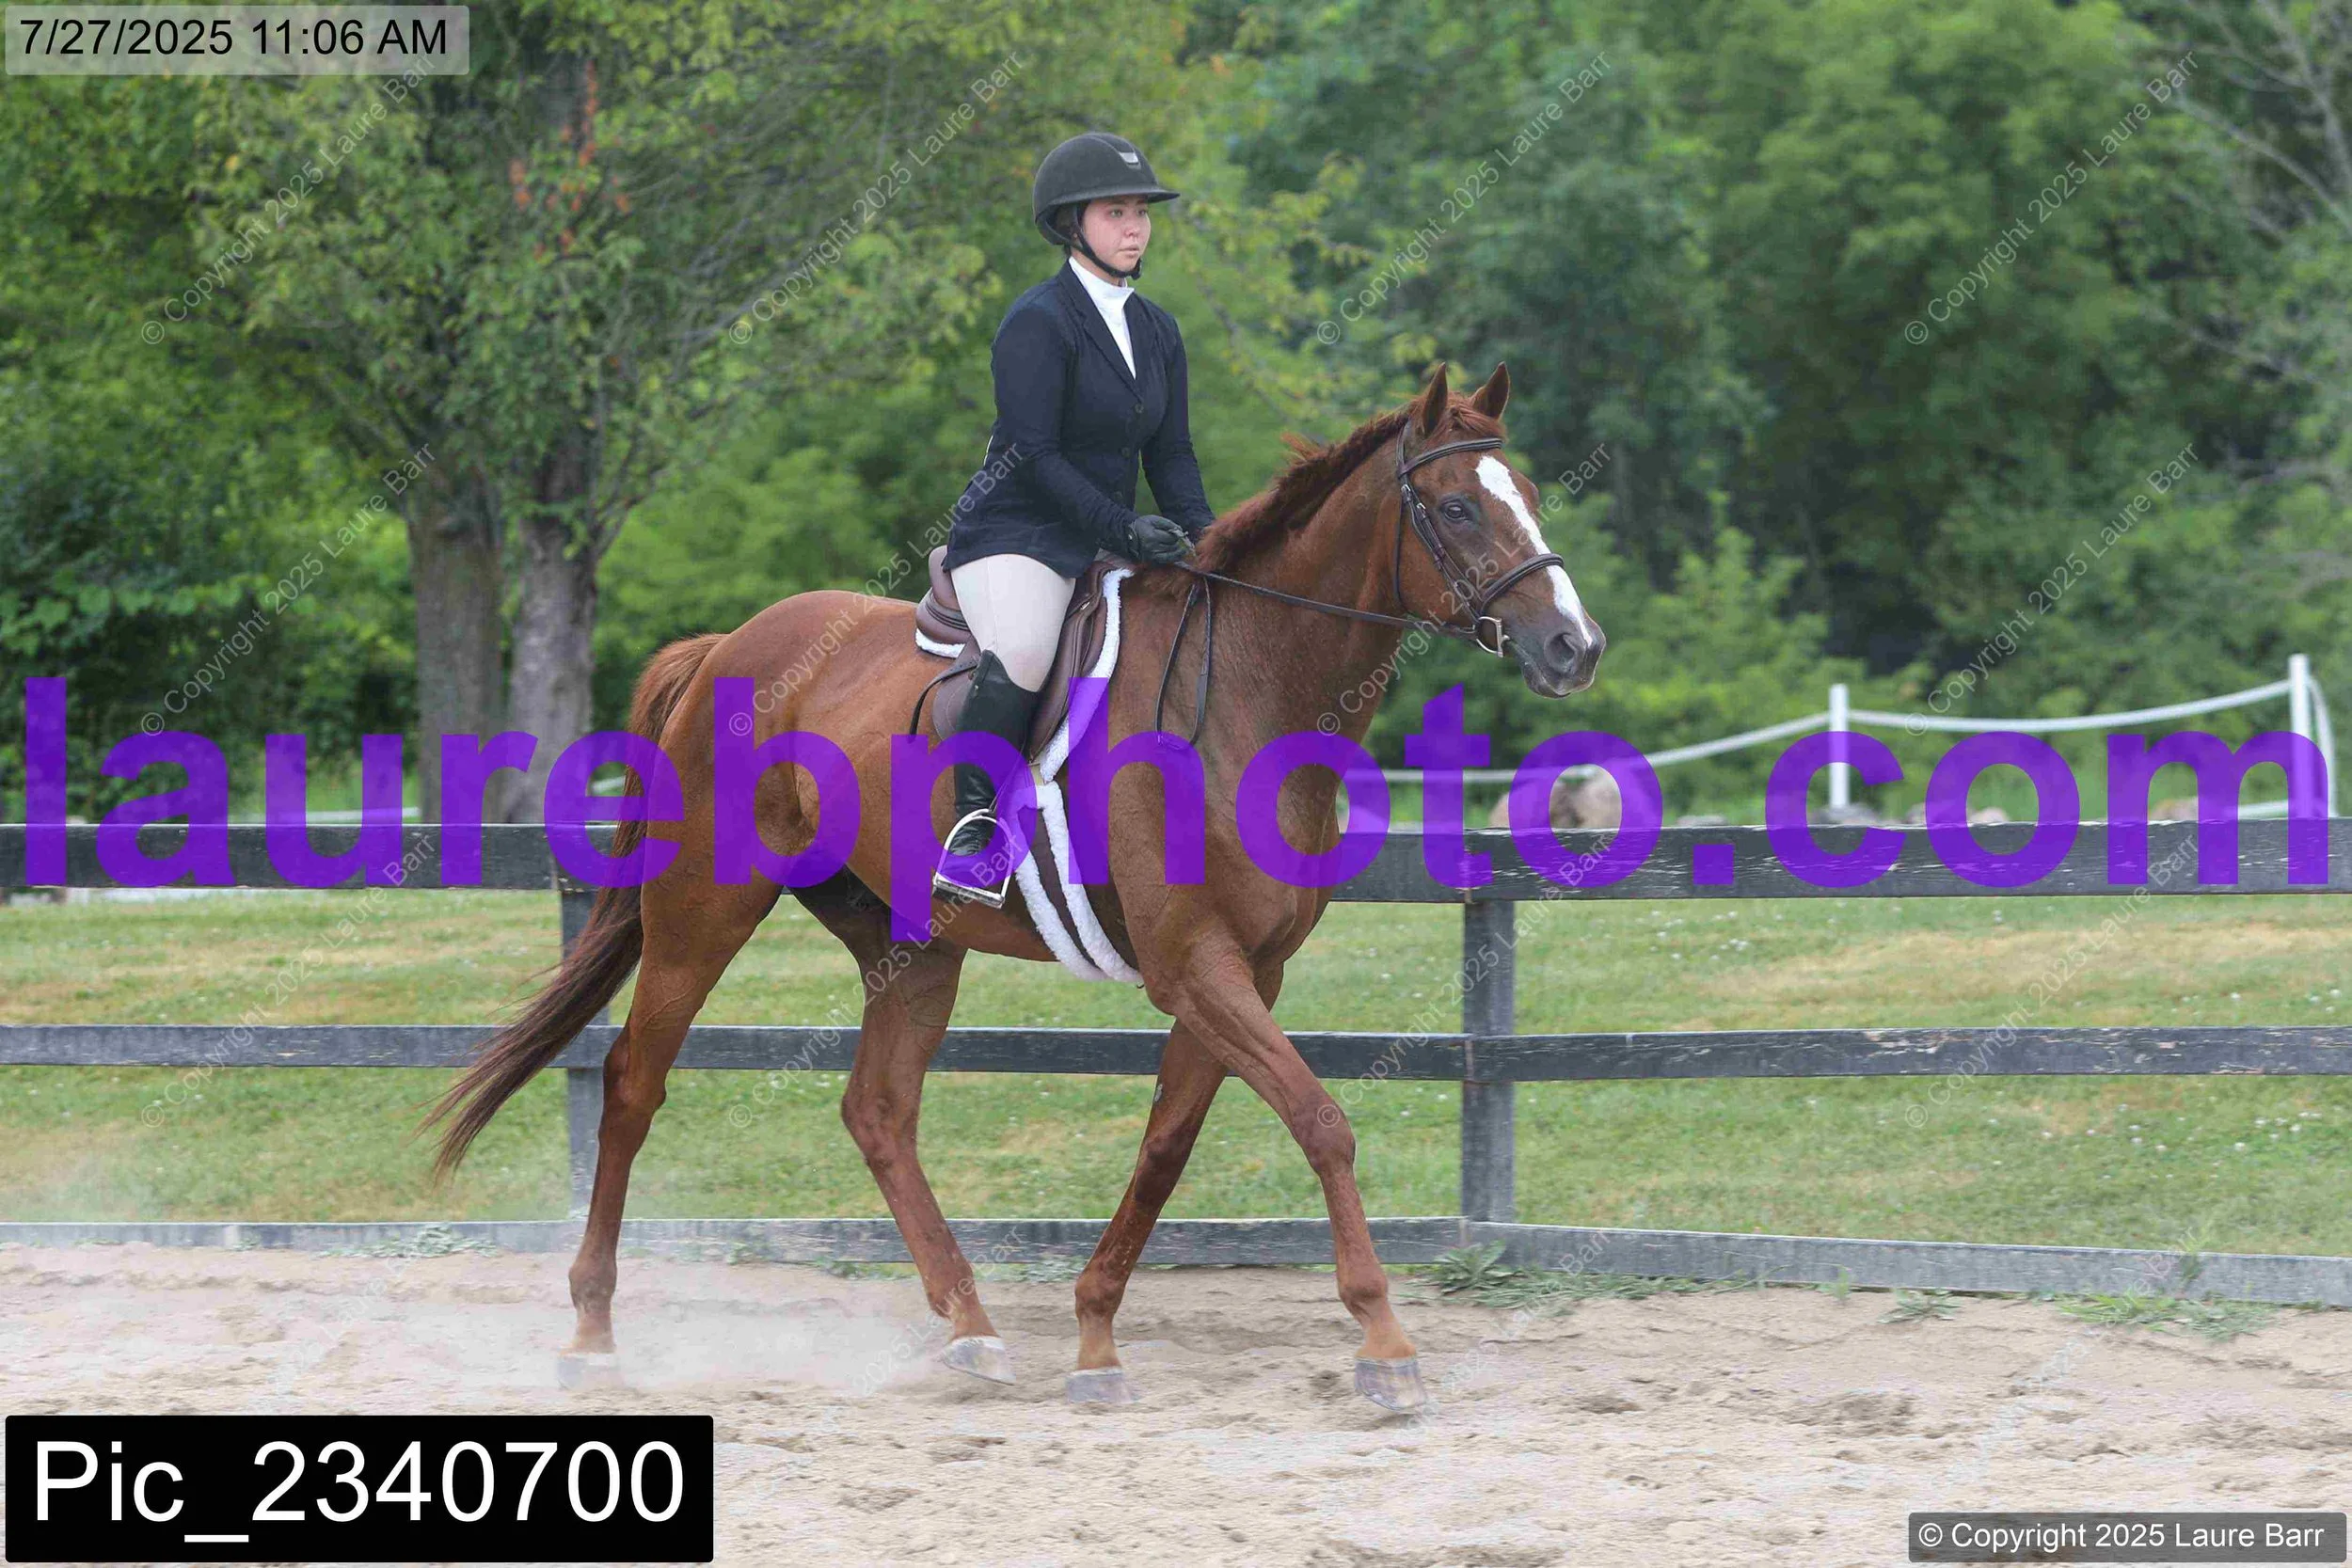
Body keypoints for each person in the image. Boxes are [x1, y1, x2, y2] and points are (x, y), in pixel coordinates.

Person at [931, 131, 1219, 905]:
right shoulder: (1038, 321)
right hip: (1016, 532)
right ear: (1071, 224)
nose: (1135, 227)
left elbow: (1173, 453)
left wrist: (1211, 541)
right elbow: (1034, 455)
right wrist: (1125, 528)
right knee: (1026, 648)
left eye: (1141, 212)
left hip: (1098, 533)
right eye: (1115, 212)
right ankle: (973, 831)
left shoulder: (1157, 330)